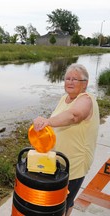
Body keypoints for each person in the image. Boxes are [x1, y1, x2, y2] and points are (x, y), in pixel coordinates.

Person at [33, 63, 100, 216]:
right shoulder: (65, 98)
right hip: (58, 160)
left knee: (63, 203)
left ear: (85, 84)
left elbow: (74, 116)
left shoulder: (86, 99)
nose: (70, 82)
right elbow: (56, 122)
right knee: (60, 200)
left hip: (74, 164)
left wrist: (47, 121)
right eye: (67, 78)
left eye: (75, 79)